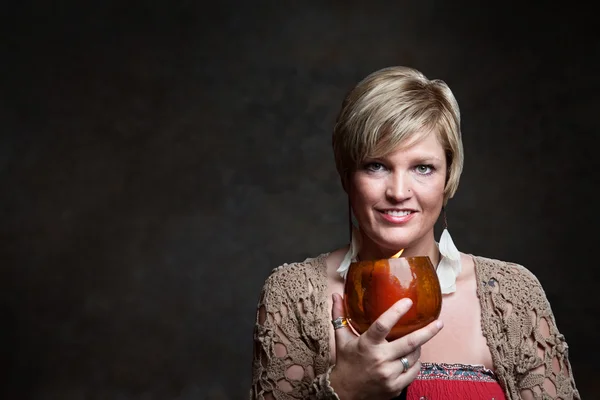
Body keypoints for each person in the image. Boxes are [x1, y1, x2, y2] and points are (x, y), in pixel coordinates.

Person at [249, 66, 579, 400]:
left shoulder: (512, 297)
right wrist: (345, 388)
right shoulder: (294, 296)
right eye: (376, 165)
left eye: (423, 168)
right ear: (347, 175)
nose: (398, 191)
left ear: (448, 178)